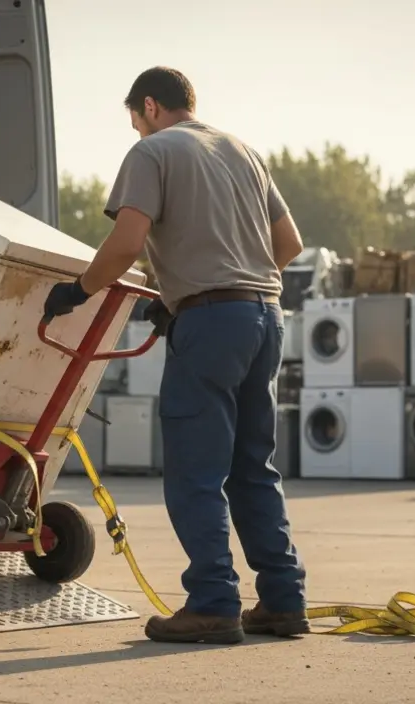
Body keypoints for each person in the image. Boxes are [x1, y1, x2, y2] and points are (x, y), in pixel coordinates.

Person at [42, 67, 309, 644]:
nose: (136, 131)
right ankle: (284, 601)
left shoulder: (153, 152)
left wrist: (78, 292)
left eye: (135, 120)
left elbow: (127, 243)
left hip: (211, 324)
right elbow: (288, 244)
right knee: (253, 467)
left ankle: (213, 604)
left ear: (149, 106)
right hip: (266, 316)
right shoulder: (243, 151)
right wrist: (214, 285)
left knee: (196, 471)